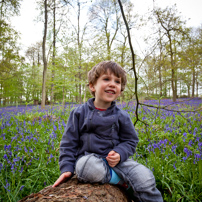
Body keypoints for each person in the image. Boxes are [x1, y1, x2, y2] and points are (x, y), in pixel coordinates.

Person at [52, 61, 163, 202]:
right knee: (85, 167)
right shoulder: (78, 113)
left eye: (117, 81)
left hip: (117, 163)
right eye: (106, 79)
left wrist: (120, 153)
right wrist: (67, 168)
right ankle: (119, 181)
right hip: (90, 159)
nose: (112, 84)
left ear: (120, 90)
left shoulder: (122, 116)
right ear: (92, 86)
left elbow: (131, 141)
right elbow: (68, 143)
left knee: (145, 177)